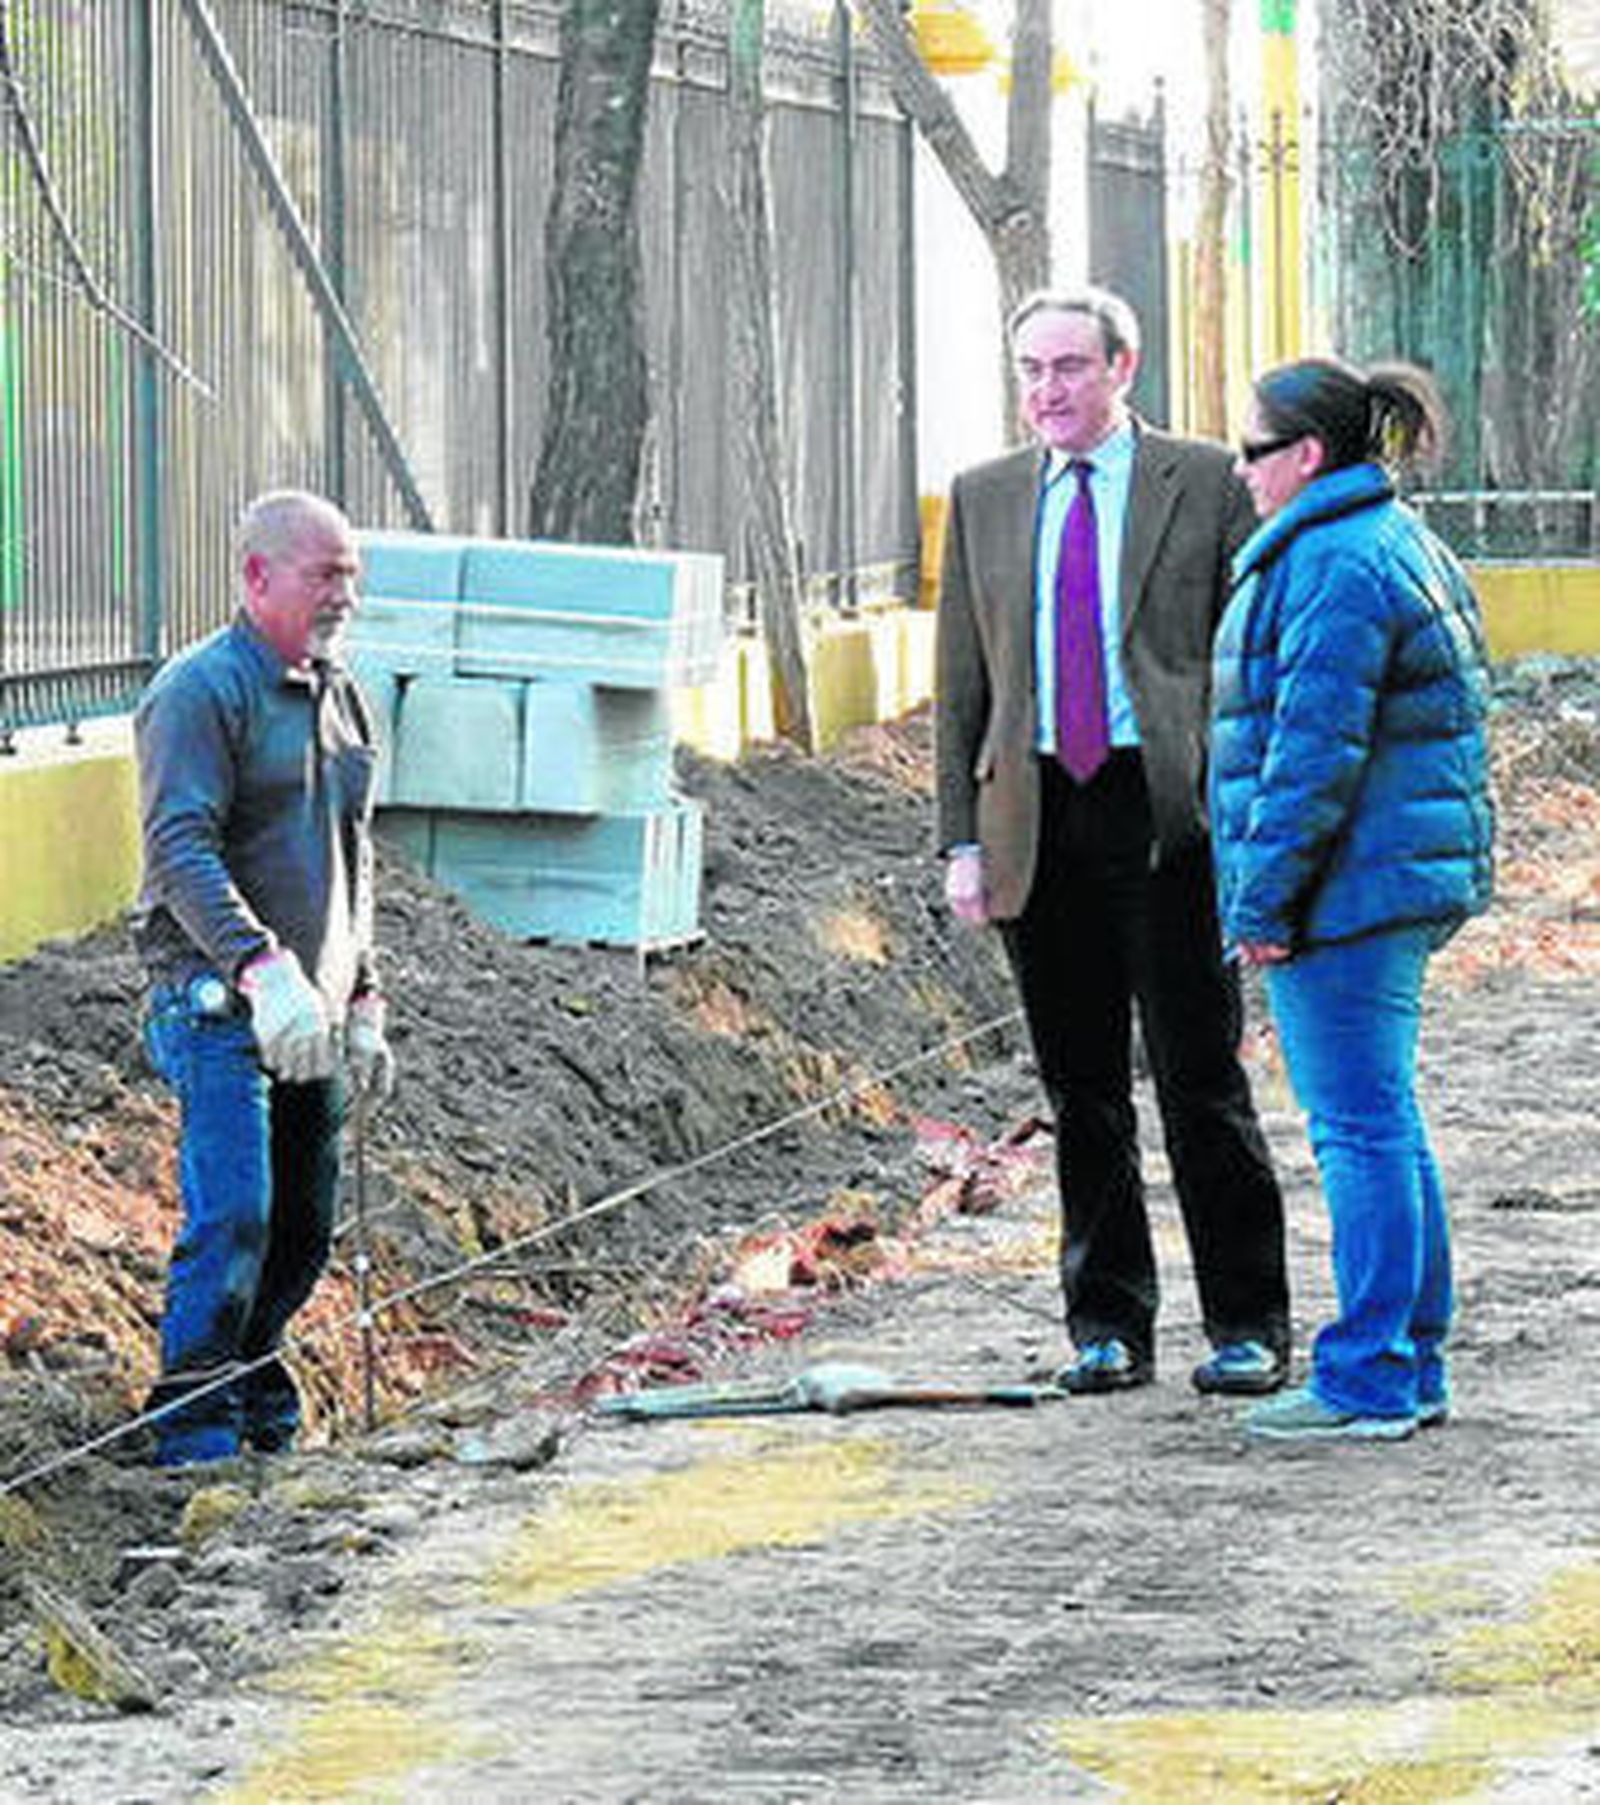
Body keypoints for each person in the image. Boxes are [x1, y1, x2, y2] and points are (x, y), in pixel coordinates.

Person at [934, 285, 1290, 1397]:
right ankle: (1106, 1323)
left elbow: (1249, 660)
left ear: (1122, 368)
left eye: (1070, 367)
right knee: (1080, 1089)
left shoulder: (1204, 481)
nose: (1048, 390)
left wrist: (1249, 816)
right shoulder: (986, 496)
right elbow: (962, 686)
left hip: (1166, 814)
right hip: (1036, 817)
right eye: (1031, 370)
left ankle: (1247, 1321)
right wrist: (960, 840)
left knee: (1197, 1076)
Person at [1210, 357, 1494, 1442]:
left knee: (1357, 1129)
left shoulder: (1333, 560)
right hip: (1389, 877)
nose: (1241, 472)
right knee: (1384, 1120)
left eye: (1252, 450)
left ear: (1307, 454)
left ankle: (1371, 1374)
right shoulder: (1386, 537)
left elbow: (1309, 756)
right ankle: (1407, 1360)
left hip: (1350, 890)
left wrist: (1261, 903)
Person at [132, 489, 394, 1467]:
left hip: (310, 1009)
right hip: (213, 1003)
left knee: (301, 1231)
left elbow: (354, 856)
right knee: (236, 1213)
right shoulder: (199, 692)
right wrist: (257, 964)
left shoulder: (342, 695)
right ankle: (193, 1431)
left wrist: (361, 991)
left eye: (351, 576)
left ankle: (255, 1389)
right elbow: (179, 847)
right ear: (257, 576)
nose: (344, 595)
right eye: (325, 574)